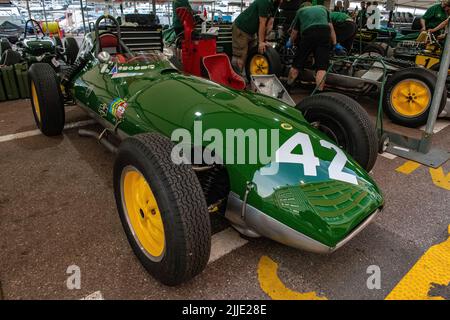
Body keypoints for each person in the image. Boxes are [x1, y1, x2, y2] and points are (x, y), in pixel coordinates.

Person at [285, 2, 337, 92]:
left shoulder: (300, 11)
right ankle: (318, 93)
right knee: (321, 67)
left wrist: (290, 42)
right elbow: (331, 28)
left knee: (296, 65)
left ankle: (288, 87)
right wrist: (335, 43)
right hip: (324, 33)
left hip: (309, 33)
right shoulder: (323, 8)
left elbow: (294, 32)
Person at [231, 0, 281, 75]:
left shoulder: (275, 4)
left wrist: (264, 40)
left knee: (253, 53)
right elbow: (262, 23)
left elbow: (270, 23)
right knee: (241, 56)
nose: (283, 1)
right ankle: (235, 79)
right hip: (241, 28)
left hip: (252, 31)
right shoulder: (264, 2)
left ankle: (249, 77)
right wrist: (261, 42)